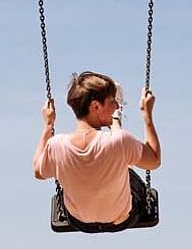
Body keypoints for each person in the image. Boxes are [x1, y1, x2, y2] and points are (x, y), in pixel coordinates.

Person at [32, 71, 161, 225]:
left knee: (114, 154)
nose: (116, 105)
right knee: (124, 165)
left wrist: (48, 125)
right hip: (122, 219)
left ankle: (115, 123)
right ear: (95, 106)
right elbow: (154, 161)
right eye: (112, 102)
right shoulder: (122, 140)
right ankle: (115, 121)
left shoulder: (56, 145)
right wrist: (147, 117)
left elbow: (38, 172)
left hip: (79, 221)